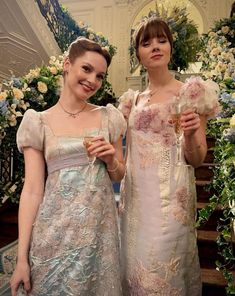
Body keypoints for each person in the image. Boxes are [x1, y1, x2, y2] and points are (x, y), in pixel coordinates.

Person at [10, 37, 126, 296]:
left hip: (98, 234)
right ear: (66, 65)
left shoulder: (109, 117)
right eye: (86, 69)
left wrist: (111, 160)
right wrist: (21, 259)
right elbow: (31, 190)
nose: (93, 81)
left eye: (100, 76)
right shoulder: (38, 122)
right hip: (53, 234)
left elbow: (120, 174)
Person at [118, 18, 220, 295]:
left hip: (170, 199)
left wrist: (189, 134)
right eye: (146, 42)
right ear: (137, 53)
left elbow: (198, 159)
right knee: (135, 270)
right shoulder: (132, 100)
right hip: (136, 199)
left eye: (161, 40)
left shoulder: (190, 93)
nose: (155, 47)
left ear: (171, 48)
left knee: (162, 272)